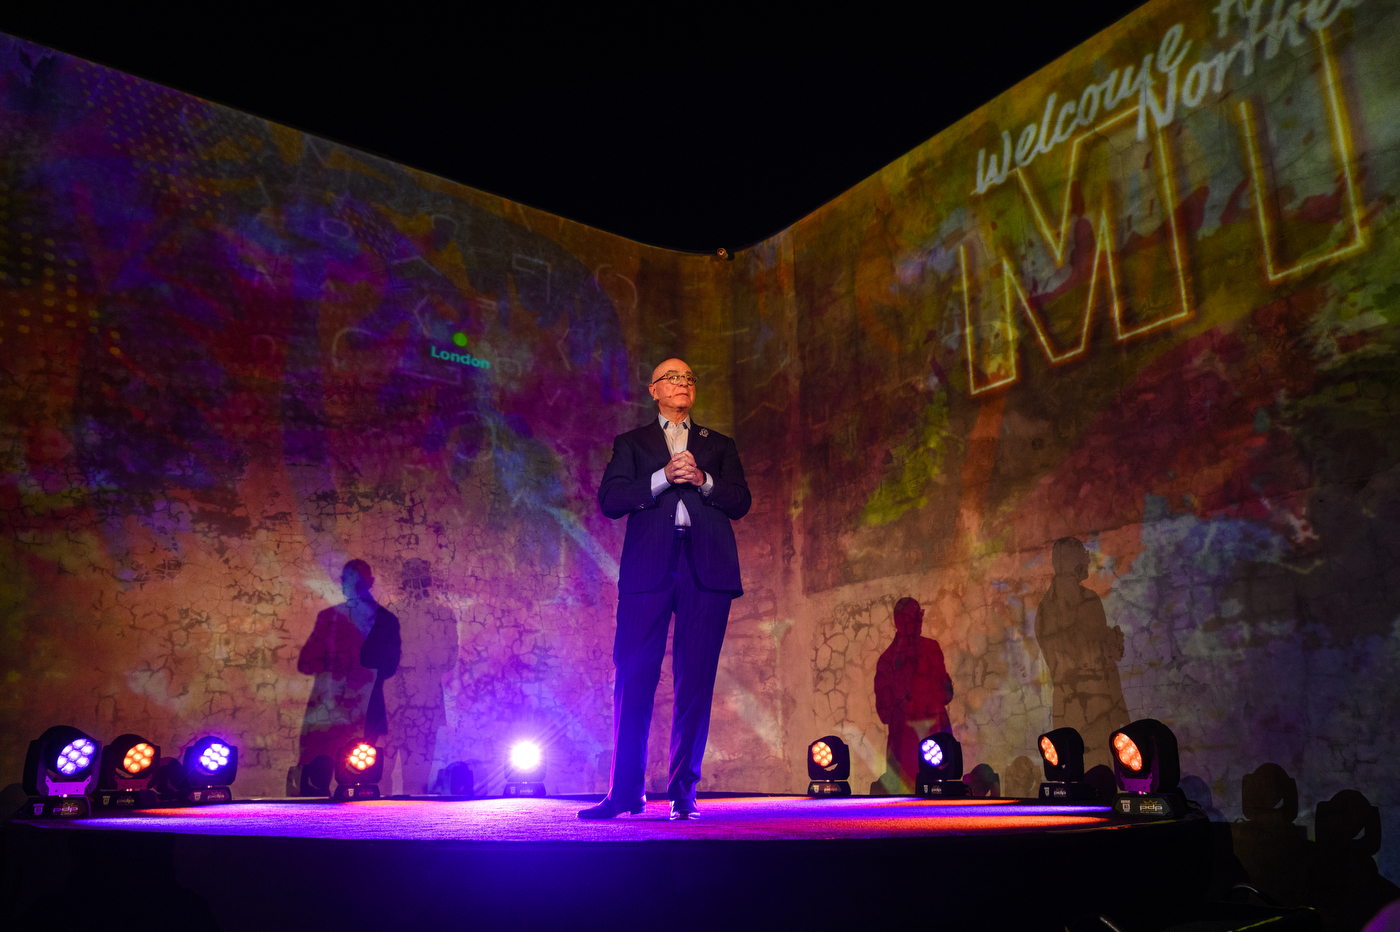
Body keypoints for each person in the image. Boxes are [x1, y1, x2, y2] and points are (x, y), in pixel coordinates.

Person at [580, 358, 751, 821]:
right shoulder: (632, 443)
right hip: (648, 572)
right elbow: (611, 501)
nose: (684, 384)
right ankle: (625, 793)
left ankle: (683, 793)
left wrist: (703, 480)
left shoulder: (719, 445)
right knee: (633, 678)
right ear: (653, 390)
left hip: (707, 571)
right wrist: (662, 478)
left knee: (695, 682)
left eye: (690, 378)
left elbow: (741, 500)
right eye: (673, 378)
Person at [296, 559, 401, 794]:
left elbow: (307, 663)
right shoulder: (382, 620)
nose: (350, 587)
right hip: (338, 712)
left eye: (354, 582)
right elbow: (305, 662)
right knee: (337, 780)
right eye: (349, 582)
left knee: (353, 780)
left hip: (341, 712)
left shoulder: (332, 618)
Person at [1034, 537, 1127, 772]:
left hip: (1094, 707)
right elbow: (1079, 657)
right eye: (1082, 554)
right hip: (1083, 708)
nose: (1087, 559)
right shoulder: (1055, 609)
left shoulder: (1084, 601)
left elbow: (1097, 654)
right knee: (1088, 773)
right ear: (1071, 562)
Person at [872, 597, 954, 794]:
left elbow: (945, 694)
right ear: (899, 622)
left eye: (918, 616)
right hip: (906, 749)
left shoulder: (929, 650)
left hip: (933, 739)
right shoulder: (887, 662)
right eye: (912, 618)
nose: (918, 622)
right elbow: (884, 713)